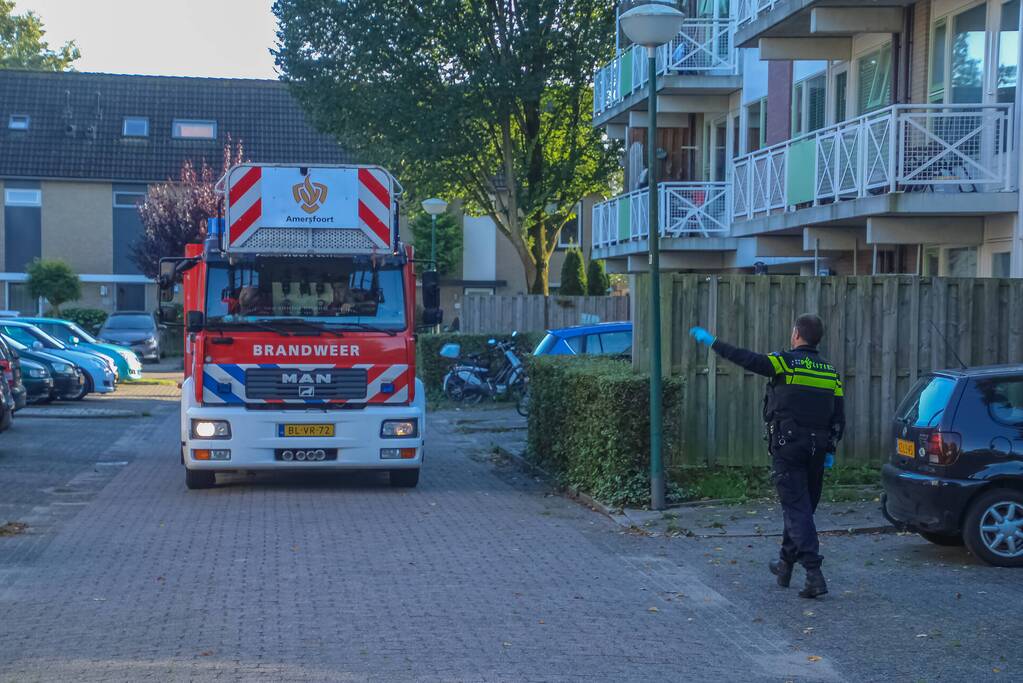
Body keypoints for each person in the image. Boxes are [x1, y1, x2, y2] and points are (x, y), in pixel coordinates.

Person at [689, 314, 844, 599]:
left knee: (797, 510)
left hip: (788, 448)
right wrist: (830, 451)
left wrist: (714, 343)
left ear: (796, 334)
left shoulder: (784, 362)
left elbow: (749, 359)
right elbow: (838, 416)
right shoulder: (830, 372)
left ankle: (813, 573)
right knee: (802, 509)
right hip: (817, 450)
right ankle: (785, 565)